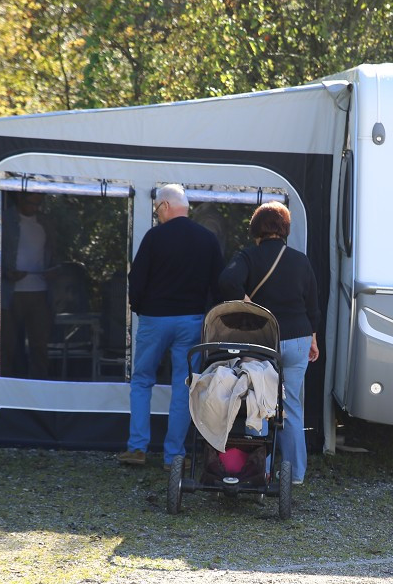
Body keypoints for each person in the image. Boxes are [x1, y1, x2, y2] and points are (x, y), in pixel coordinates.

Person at [218, 201, 320, 485]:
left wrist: (248, 303)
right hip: (298, 338)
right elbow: (312, 305)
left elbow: (227, 281)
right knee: (292, 406)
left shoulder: (248, 257)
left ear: (255, 229)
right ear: (285, 229)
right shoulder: (301, 260)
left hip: (262, 340)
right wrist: (313, 338)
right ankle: (296, 475)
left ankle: (258, 472)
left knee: (258, 403)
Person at [125, 184, 225, 467]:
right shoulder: (207, 239)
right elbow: (218, 284)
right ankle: (174, 455)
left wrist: (140, 308)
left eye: (157, 210)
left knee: (143, 380)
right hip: (191, 320)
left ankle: (137, 447)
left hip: (155, 319)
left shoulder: (155, 237)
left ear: (166, 206)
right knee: (183, 385)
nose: (157, 216)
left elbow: (137, 278)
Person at [0, 191, 55, 379]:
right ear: (20, 200)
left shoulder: (45, 222)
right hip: (11, 292)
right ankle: (6, 386)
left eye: (39, 204)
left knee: (39, 344)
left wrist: (53, 270)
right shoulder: (5, 220)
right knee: (7, 344)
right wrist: (6, 272)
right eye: (32, 203)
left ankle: (39, 386)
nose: (35, 208)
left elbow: (53, 253)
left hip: (40, 291)